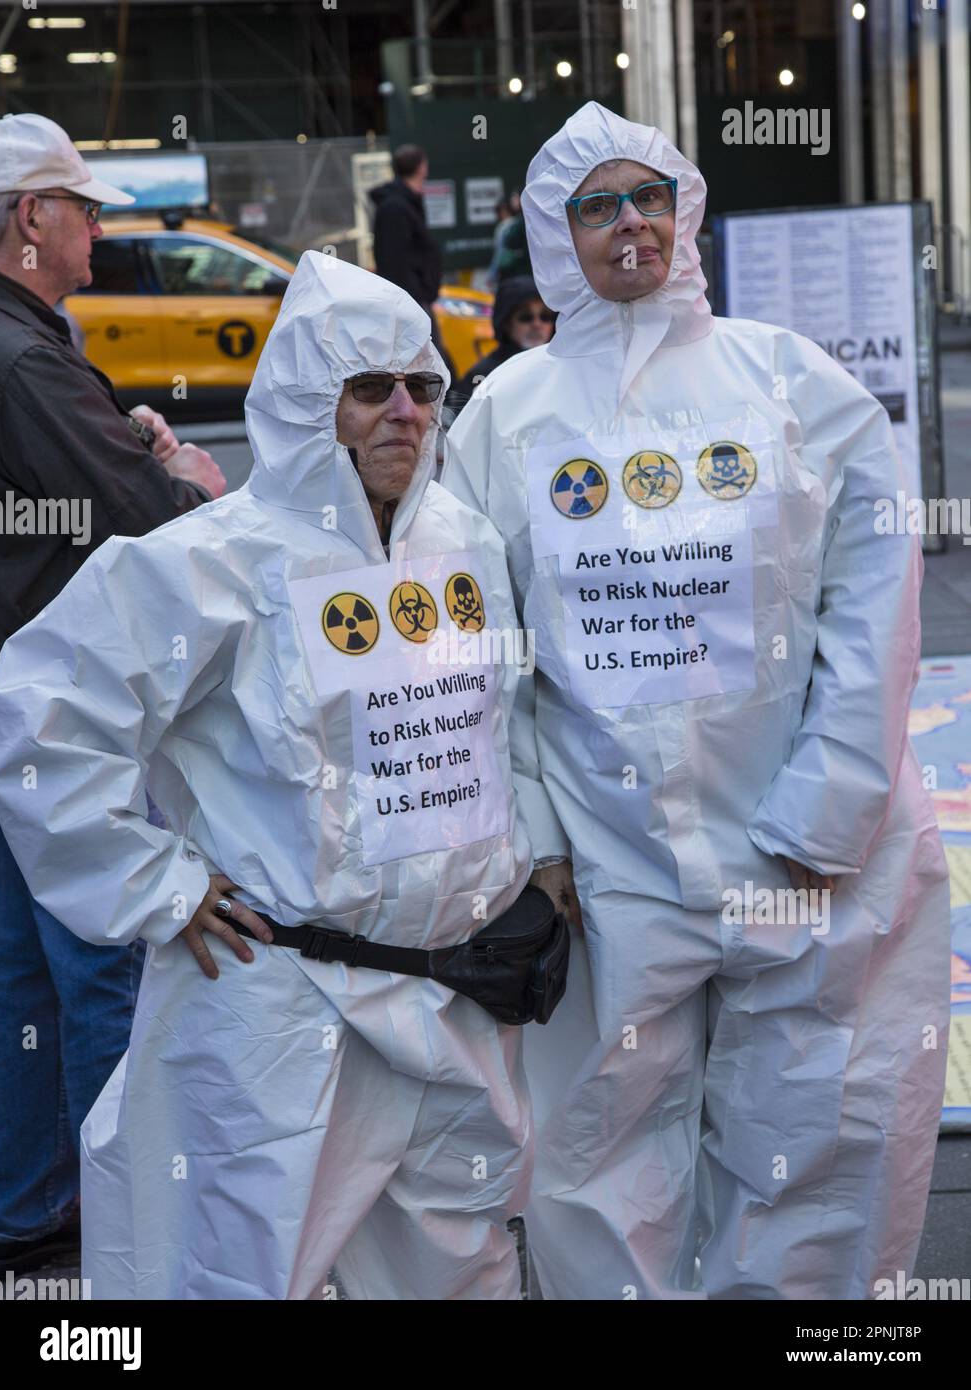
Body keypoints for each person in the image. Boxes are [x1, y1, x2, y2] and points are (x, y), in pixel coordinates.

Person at [441, 101, 950, 1300]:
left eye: (650, 198)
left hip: (811, 851)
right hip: (609, 868)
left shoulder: (790, 381)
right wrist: (540, 834)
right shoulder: (507, 416)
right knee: (598, 1154)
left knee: (822, 1139)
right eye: (598, 206)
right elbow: (478, 650)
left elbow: (876, 597)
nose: (632, 226)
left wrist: (831, 805)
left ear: (687, 210)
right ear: (554, 237)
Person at [0, 252, 544, 1300]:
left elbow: (509, 723)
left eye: (422, 386)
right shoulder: (216, 560)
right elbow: (42, 715)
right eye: (367, 388)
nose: (404, 413)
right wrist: (157, 886)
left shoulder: (464, 542)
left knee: (460, 1271)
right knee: (233, 1272)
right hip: (284, 1016)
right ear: (304, 401)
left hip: (455, 1004)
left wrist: (537, 864)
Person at [0, 111, 225, 1275]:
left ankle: (26, 1211)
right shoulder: (26, 355)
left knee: (10, 968)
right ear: (32, 217)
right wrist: (183, 475)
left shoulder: (23, 344)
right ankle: (121, 1219)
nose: (94, 231)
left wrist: (117, 442)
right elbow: (142, 521)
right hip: (47, 714)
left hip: (0, 701)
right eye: (83, 209)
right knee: (95, 957)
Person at [370, 144, 450, 367]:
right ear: (422, 167)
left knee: (432, 363)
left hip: (417, 300)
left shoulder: (405, 203)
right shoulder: (395, 207)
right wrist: (415, 297)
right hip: (411, 303)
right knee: (425, 365)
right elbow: (394, 261)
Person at [450, 275, 555, 410]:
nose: (537, 324)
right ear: (506, 323)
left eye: (545, 317)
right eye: (525, 317)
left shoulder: (565, 368)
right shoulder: (483, 375)